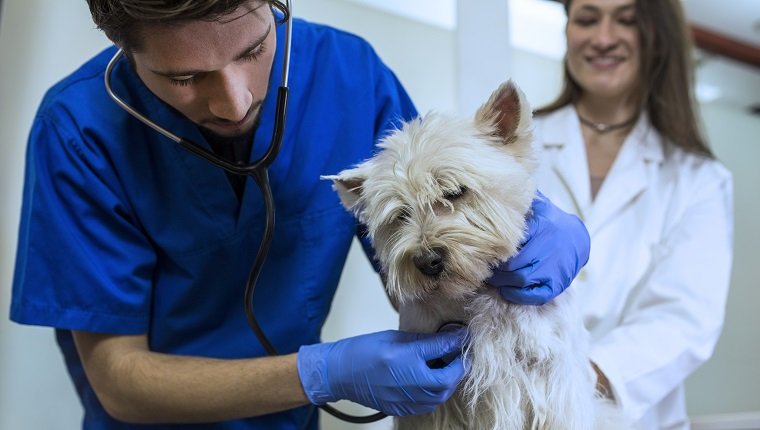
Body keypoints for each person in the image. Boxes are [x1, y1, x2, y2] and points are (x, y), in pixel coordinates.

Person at [10, 1, 590, 429]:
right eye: (185, 78)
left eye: (253, 50)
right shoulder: (78, 130)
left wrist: (526, 218)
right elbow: (118, 380)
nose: (233, 102)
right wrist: (322, 373)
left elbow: (424, 249)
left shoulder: (350, 75)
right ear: (126, 50)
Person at [532, 0, 734, 428]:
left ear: (656, 36)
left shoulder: (698, 178)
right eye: (587, 19)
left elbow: (683, 319)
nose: (603, 38)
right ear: (568, 31)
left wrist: (571, 381)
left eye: (626, 21)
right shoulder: (515, 145)